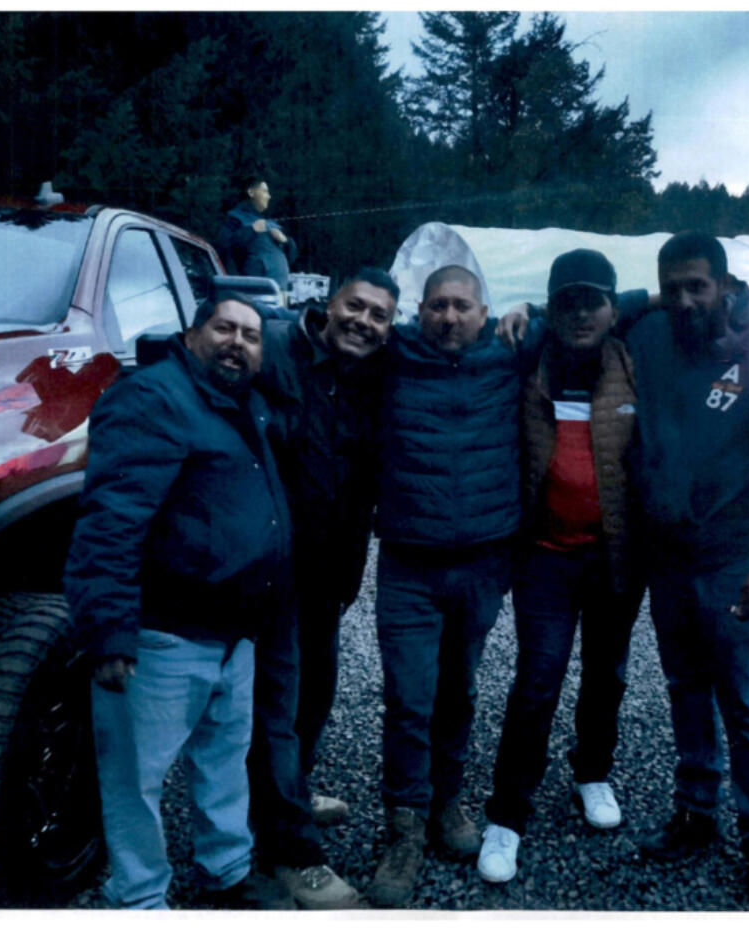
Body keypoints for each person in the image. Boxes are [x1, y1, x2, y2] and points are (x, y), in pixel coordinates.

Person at [63, 294, 293, 910]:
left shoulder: (243, 404)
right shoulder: (153, 399)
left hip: (232, 633)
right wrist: (109, 630)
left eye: (251, 335)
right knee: (134, 781)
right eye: (224, 327)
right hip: (162, 636)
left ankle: (227, 872)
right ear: (192, 334)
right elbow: (111, 519)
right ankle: (139, 899)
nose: (237, 343)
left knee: (223, 763)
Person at [626, 233, 749, 908]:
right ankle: (695, 814)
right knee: (684, 689)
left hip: (734, 560)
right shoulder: (649, 336)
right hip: (667, 560)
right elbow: (595, 311)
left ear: (725, 283)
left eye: (697, 286)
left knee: (745, 701)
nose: (684, 300)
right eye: (671, 287)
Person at [477, 249, 645, 885]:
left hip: (615, 556)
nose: (580, 314)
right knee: (537, 681)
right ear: (551, 307)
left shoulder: (634, 352)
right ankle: (507, 814)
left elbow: (650, 300)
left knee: (608, 675)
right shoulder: (526, 353)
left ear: (612, 306)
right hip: (544, 558)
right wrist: (517, 311)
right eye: (566, 301)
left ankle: (592, 774)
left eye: (592, 301)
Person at [367, 265, 531, 907]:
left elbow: (597, 309)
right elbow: (320, 334)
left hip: (484, 561)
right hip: (409, 560)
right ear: (419, 311)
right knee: (410, 698)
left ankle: (448, 805)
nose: (449, 317)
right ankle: (403, 830)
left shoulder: (511, 349)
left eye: (462, 305)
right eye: (437, 305)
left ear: (486, 311)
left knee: (459, 691)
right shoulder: (395, 350)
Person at [245, 268, 399, 908]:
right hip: (272, 570)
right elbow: (197, 353)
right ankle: (286, 852)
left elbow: (462, 331)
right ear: (327, 303)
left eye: (379, 315)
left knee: (315, 696)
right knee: (277, 708)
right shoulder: (274, 349)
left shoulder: (382, 369)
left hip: (329, 574)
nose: (363, 322)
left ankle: (290, 795)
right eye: (354, 306)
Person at [219, 175, 298, 291]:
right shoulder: (235, 218)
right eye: (265, 191)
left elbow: (292, 257)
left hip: (279, 292)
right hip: (255, 293)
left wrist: (286, 241)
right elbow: (224, 246)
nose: (269, 197)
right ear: (251, 192)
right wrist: (252, 230)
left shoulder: (270, 223)